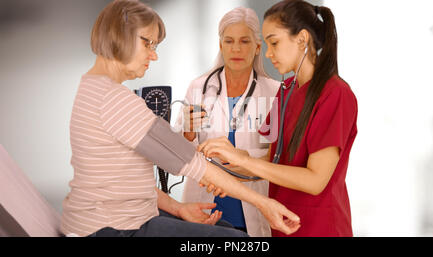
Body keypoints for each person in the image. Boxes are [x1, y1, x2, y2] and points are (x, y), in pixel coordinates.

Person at [60, 0, 300, 237]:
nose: (153, 56)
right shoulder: (117, 101)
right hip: (114, 227)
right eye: (148, 44)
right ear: (122, 35)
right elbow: (187, 160)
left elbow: (120, 182)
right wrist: (264, 204)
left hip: (109, 219)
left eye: (245, 41)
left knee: (224, 229)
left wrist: (178, 208)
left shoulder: (91, 87)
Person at [198, 0, 358, 237]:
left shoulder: (336, 94)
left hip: (320, 227)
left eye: (274, 42)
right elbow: (276, 160)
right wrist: (231, 174)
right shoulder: (287, 90)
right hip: (283, 225)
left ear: (302, 39)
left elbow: (315, 180)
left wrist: (247, 162)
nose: (268, 53)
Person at [176, 7, 279, 237]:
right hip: (205, 206)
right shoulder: (199, 88)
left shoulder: (274, 92)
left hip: (252, 209)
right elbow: (177, 155)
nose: (236, 48)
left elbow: (278, 158)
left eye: (244, 41)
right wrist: (188, 132)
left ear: (257, 47)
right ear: (221, 45)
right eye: (229, 41)